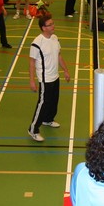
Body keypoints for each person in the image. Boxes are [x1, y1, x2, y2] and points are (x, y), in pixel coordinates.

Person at [27, 12, 70, 142]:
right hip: (45, 79)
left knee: (53, 101)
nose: (53, 26)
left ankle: (48, 119)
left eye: (53, 23)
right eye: (50, 25)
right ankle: (33, 129)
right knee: (43, 104)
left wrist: (66, 71)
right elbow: (32, 62)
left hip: (55, 76)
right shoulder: (37, 43)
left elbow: (59, 56)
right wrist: (32, 80)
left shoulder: (55, 38)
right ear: (43, 28)